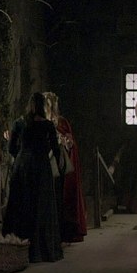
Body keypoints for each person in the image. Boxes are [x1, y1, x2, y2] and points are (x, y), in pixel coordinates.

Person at [3, 92, 64, 262]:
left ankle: (19, 247)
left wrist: (22, 156)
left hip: (22, 166)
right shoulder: (47, 125)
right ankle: (41, 251)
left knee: (21, 203)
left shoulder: (20, 123)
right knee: (41, 206)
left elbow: (11, 148)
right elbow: (56, 149)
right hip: (41, 167)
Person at [43, 92, 87, 243]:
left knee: (59, 198)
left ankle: (61, 232)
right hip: (44, 164)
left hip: (58, 166)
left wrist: (65, 142)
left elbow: (70, 144)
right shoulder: (40, 121)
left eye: (47, 104)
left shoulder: (61, 122)